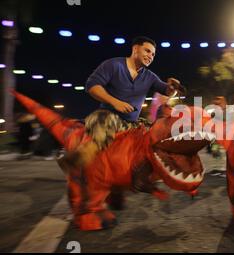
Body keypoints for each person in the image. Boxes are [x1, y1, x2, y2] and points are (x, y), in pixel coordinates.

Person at [58, 36, 181, 171]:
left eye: (153, 54)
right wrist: (115, 102)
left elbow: (167, 91)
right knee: (102, 123)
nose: (150, 56)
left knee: (157, 134)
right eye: (147, 51)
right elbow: (92, 86)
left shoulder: (150, 76)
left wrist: (172, 89)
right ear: (135, 49)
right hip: (107, 118)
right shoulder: (113, 65)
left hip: (132, 124)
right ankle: (78, 160)